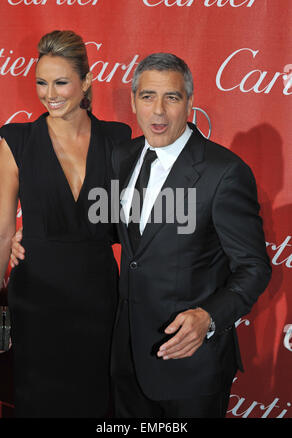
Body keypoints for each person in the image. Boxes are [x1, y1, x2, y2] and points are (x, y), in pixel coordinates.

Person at [109, 53, 272, 418]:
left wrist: (209, 318)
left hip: (191, 368)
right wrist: (28, 240)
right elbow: (117, 234)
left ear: (191, 101)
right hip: (127, 359)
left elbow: (254, 267)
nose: (159, 112)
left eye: (172, 97)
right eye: (148, 96)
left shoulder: (224, 172)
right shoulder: (123, 156)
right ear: (134, 101)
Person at [0, 30, 131, 418]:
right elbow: (2, 231)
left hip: (98, 295)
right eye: (41, 82)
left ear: (86, 82)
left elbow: (126, 222)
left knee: (96, 401)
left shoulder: (118, 140)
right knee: (39, 402)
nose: (49, 93)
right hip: (37, 297)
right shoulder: (16, 140)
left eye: (60, 82)